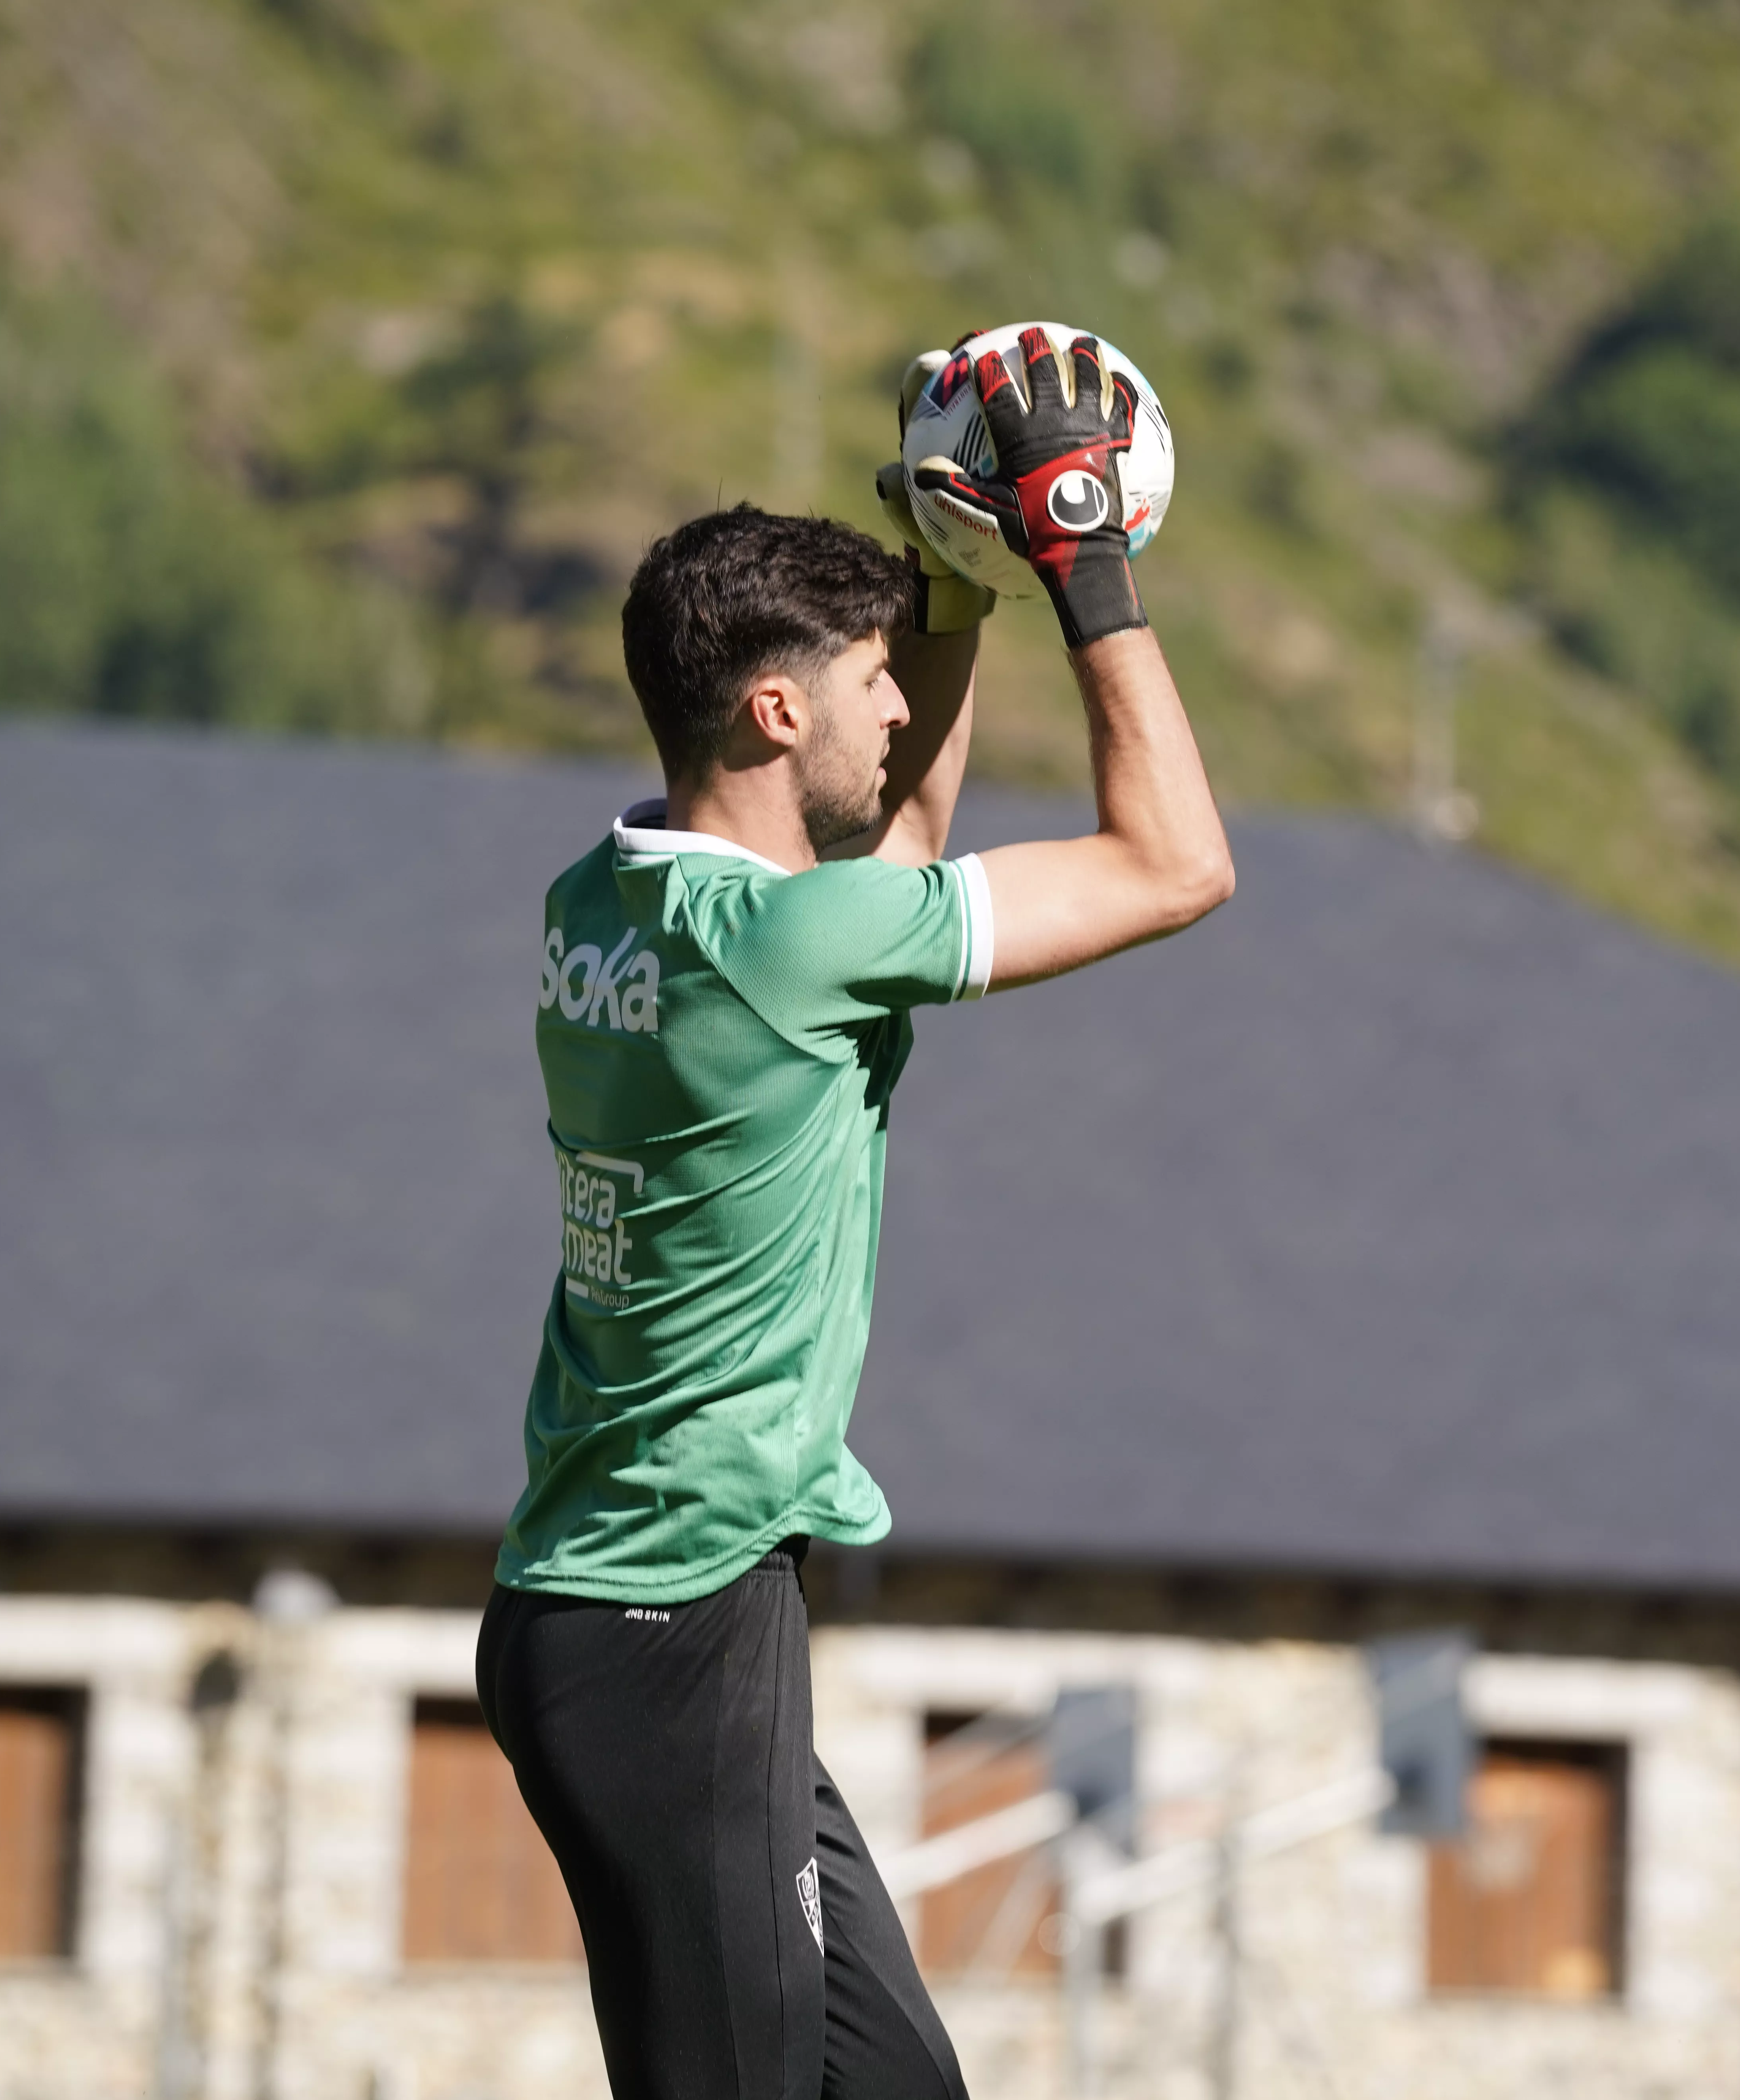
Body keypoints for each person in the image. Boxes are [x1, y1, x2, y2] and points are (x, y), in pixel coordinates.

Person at [476, 329, 1231, 2100]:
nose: (899, 713)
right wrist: (1080, 566)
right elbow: (1175, 864)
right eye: (874, 684)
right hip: (674, 1628)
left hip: (615, 1613)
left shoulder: (603, 903)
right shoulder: (790, 948)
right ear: (771, 711)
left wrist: (953, 592)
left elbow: (886, 854)